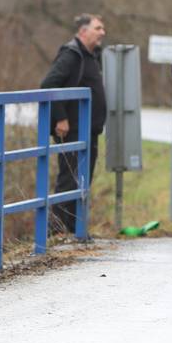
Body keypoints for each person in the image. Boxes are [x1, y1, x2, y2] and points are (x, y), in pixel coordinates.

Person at [40, 13, 107, 235]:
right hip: (73, 130)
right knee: (69, 180)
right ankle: (54, 230)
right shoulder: (71, 55)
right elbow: (49, 84)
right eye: (97, 28)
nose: (102, 33)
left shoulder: (92, 55)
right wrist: (60, 117)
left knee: (82, 180)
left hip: (90, 130)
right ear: (83, 31)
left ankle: (74, 228)